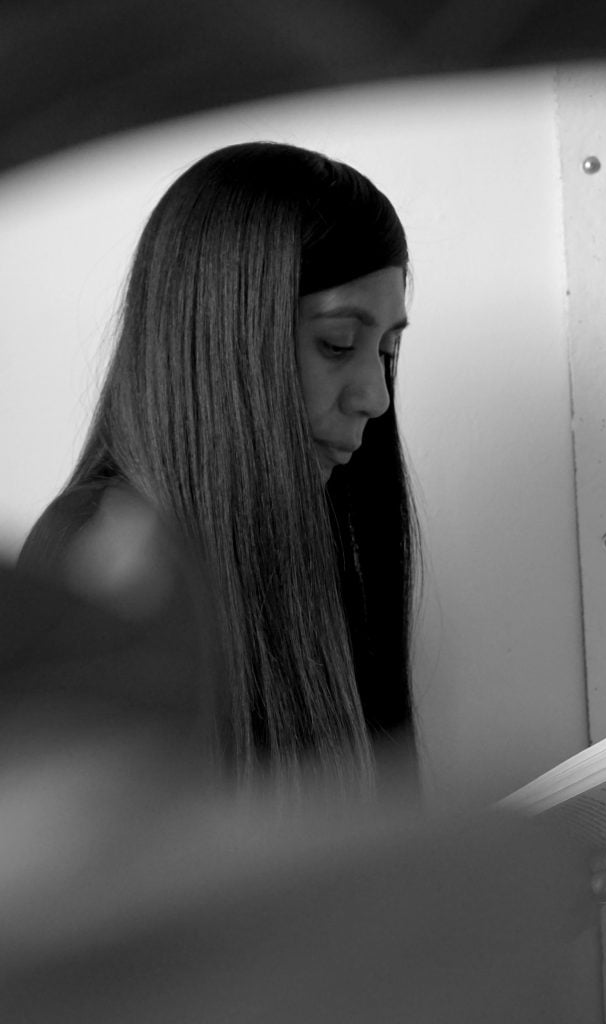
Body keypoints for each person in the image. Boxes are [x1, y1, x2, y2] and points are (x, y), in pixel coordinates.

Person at [17, 141, 421, 796]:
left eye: (388, 350)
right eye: (337, 343)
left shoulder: (310, 536)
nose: (375, 396)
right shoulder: (104, 564)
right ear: (223, 335)